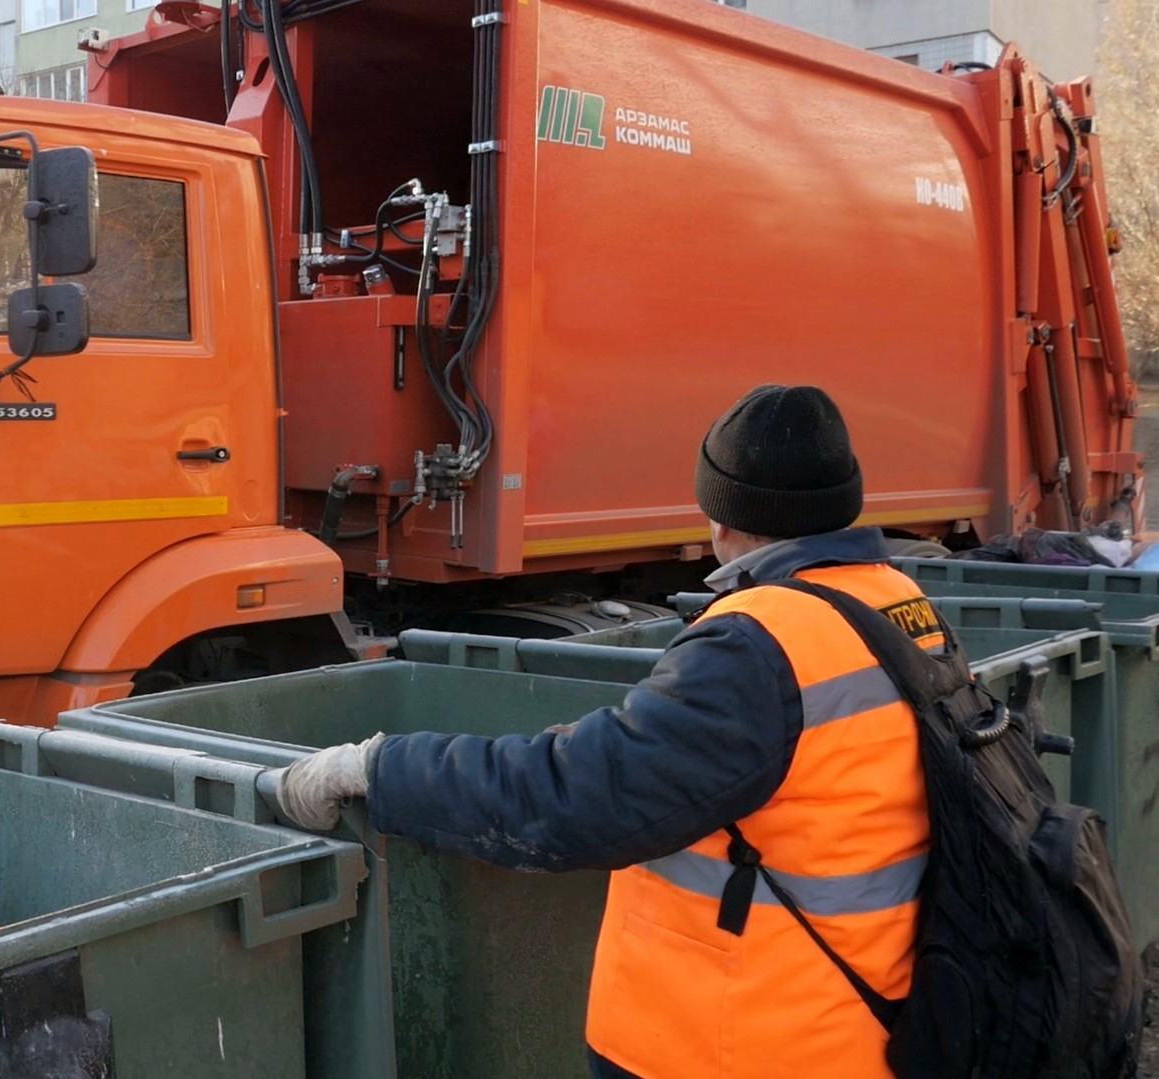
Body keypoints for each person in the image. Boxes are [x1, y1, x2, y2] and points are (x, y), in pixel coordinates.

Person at [274, 385, 936, 1079]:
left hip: (744, 1041)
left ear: (723, 514)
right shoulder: (894, 603)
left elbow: (574, 800)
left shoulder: (756, 644)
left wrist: (377, 768)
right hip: (859, 1021)